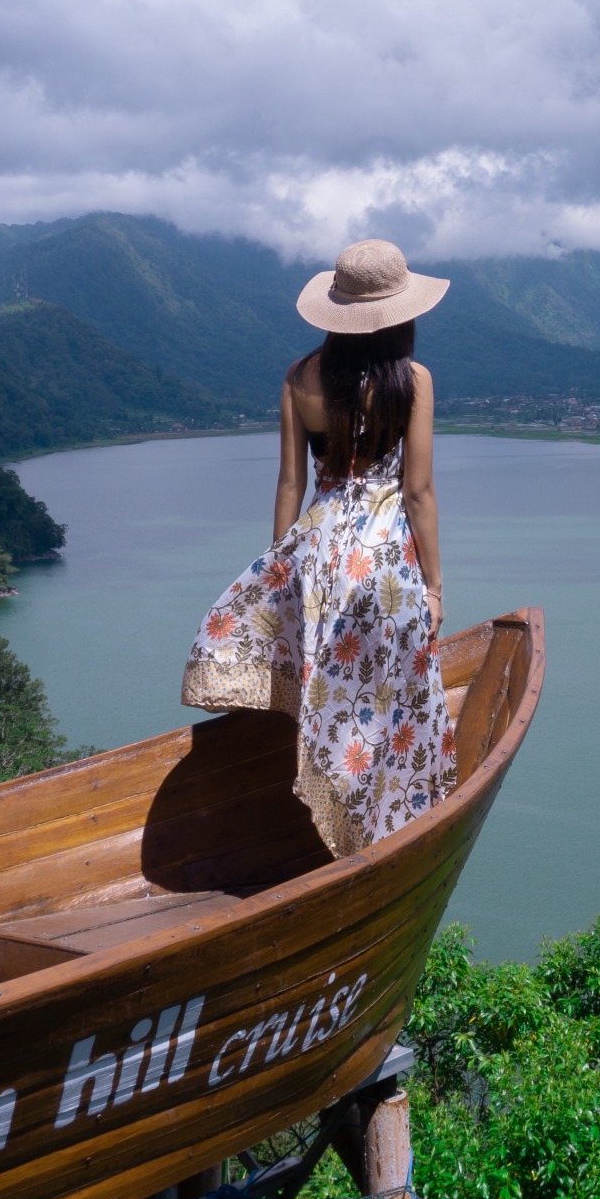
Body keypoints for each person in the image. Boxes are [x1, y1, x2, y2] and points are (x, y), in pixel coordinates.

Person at [181, 239, 455, 856]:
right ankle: (388, 821)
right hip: (384, 555)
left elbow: (289, 483)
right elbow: (418, 493)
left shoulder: (300, 377)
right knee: (390, 695)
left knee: (329, 691)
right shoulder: (412, 380)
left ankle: (328, 814)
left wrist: (282, 567)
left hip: (320, 550)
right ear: (401, 315)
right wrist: (434, 587)